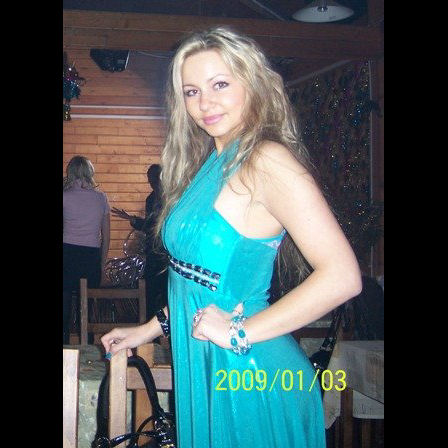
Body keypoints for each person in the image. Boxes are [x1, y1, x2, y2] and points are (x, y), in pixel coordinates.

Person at [101, 26, 362, 447]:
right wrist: (148, 329)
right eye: (191, 91)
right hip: (209, 365)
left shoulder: (266, 160)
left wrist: (240, 332)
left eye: (220, 84)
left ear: (252, 84)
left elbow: (343, 276)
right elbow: (198, 280)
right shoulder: (213, 162)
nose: (205, 102)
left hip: (251, 376)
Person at [111, 164, 168, 320]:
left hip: (165, 253)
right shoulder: (152, 199)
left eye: (153, 179)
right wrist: (133, 220)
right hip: (154, 251)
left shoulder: (168, 197)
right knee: (151, 291)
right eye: (150, 179)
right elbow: (151, 226)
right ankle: (151, 327)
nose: (151, 182)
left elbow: (155, 226)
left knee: (164, 292)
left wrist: (135, 221)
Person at [63, 156, 110, 344]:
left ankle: (65, 345)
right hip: (91, 254)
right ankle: (88, 345)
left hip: (67, 252)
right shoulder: (101, 198)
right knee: (88, 306)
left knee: (64, 304)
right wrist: (102, 264)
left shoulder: (65, 197)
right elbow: (106, 236)